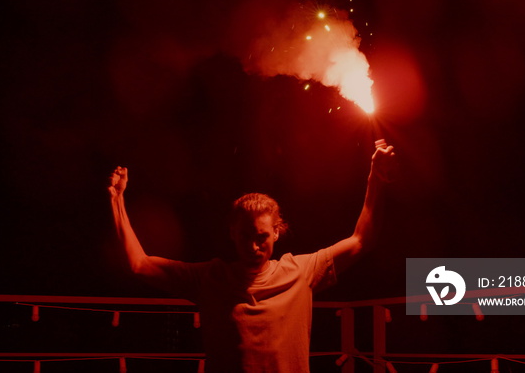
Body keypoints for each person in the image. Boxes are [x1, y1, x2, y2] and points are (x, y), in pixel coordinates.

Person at [108, 141, 395, 373]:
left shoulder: (301, 270)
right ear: (232, 233)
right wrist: (117, 201)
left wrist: (376, 178)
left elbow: (361, 241)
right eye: (246, 236)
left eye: (262, 238)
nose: (254, 247)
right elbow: (140, 264)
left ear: (276, 233)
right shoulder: (210, 277)